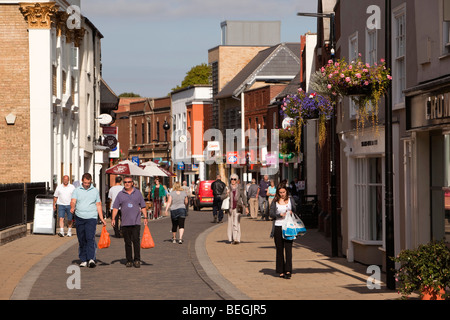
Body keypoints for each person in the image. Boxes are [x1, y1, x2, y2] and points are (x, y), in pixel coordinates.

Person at [70, 173, 106, 268]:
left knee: (90, 238)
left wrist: (101, 218)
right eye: (85, 183)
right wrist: (72, 207)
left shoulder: (94, 191)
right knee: (82, 239)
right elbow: (73, 201)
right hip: (79, 217)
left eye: (88, 183)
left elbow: (98, 204)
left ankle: (91, 259)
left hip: (91, 217)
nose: (86, 184)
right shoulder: (77, 190)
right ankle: (83, 259)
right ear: (82, 181)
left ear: (91, 181)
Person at [112, 176, 148, 268]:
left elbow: (143, 206)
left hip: (136, 222)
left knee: (136, 241)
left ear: (132, 183)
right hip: (125, 223)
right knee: (127, 242)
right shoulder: (120, 194)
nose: (127, 183)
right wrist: (113, 219)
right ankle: (129, 260)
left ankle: (137, 259)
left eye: (129, 182)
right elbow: (115, 207)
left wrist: (146, 217)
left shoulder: (138, 193)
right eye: (125, 182)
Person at [269, 184, 297, 279]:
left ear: (286, 192)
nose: (282, 194)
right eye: (280, 192)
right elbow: (271, 213)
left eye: (283, 192)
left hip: (288, 227)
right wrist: (280, 214)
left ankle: (288, 270)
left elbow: (296, 209)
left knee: (288, 249)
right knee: (279, 249)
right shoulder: (275, 201)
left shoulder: (290, 200)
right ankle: (280, 270)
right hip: (278, 227)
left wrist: (292, 212)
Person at [226, 174, 249, 244]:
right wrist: (226, 194)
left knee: (236, 224)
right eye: (232, 179)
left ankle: (236, 239)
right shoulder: (228, 188)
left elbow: (244, 197)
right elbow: (222, 196)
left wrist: (246, 207)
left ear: (237, 180)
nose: (233, 180)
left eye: (234, 179)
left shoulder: (240, 188)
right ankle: (231, 238)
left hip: (238, 207)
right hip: (230, 208)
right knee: (230, 224)